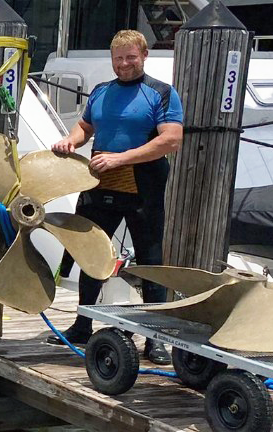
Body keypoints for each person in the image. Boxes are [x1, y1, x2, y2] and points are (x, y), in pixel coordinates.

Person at [47, 30, 183, 366]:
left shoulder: (161, 93)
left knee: (150, 260)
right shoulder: (101, 91)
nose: (124, 64)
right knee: (92, 252)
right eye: (118, 58)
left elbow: (171, 140)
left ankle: (154, 338)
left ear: (144, 55)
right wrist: (71, 140)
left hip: (142, 181)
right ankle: (82, 324)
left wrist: (121, 159)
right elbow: (85, 127)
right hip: (101, 178)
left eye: (131, 57)